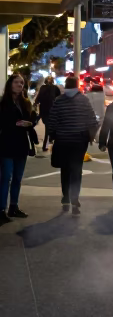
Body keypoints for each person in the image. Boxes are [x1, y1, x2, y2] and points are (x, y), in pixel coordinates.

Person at [48, 75, 99, 214]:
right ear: (77, 86)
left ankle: (65, 197)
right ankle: (75, 199)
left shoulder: (58, 101)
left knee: (65, 170)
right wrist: (91, 137)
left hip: (63, 141)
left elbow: (52, 120)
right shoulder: (84, 100)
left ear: (66, 86)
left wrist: (52, 136)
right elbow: (92, 121)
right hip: (79, 142)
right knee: (76, 170)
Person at [0, 72, 38, 225]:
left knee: (17, 178)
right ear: (10, 84)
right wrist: (14, 124)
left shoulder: (25, 103)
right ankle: (1, 209)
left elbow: (32, 119)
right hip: (7, 145)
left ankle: (13, 207)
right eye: (17, 82)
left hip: (22, 145)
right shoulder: (3, 103)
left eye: (22, 83)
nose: (20, 85)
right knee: (5, 179)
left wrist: (30, 123)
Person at [34, 75, 58, 154]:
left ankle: (47, 144)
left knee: (49, 128)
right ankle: (47, 144)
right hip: (49, 112)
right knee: (49, 129)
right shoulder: (52, 88)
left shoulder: (47, 88)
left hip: (47, 112)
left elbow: (38, 98)